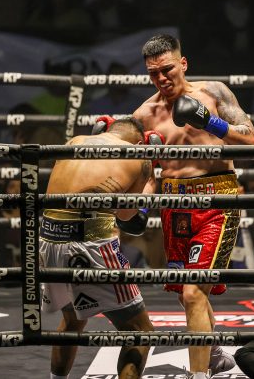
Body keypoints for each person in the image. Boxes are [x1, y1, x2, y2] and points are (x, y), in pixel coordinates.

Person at [133, 34, 254, 379]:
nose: (162, 78)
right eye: (153, 73)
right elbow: (146, 170)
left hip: (217, 198)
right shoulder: (144, 115)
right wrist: (139, 208)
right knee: (188, 294)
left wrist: (210, 121)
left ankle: (199, 375)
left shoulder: (214, 94)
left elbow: (251, 140)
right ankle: (214, 355)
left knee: (192, 291)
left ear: (183, 63)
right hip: (174, 204)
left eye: (167, 69)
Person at [40, 117, 155, 379]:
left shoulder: (75, 141)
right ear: (139, 141)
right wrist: (149, 185)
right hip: (90, 242)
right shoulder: (139, 156)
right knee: (140, 331)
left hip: (47, 239)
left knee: (72, 320)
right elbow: (129, 218)